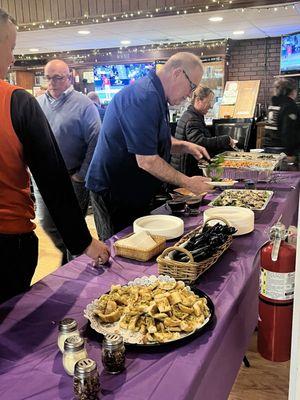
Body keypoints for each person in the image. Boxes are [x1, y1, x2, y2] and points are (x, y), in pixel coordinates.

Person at [0, 9, 109, 303]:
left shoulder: (82, 104)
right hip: (8, 242)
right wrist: (84, 241)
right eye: (10, 47)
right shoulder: (18, 101)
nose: (12, 59)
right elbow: (52, 179)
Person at [86, 52, 211, 240]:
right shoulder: (144, 96)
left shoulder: (156, 94)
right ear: (178, 74)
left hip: (133, 191)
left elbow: (157, 139)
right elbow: (147, 160)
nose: (190, 95)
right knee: (123, 249)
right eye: (192, 86)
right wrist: (189, 182)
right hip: (114, 191)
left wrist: (185, 146)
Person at [35, 59, 102, 265]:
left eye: (58, 77)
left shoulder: (83, 104)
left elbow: (96, 139)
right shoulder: (38, 103)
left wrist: (82, 175)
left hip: (73, 176)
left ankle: (74, 264)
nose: (53, 82)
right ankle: (72, 255)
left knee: (73, 224)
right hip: (44, 176)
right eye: (48, 78)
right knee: (46, 223)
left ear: (69, 76)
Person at [171, 85, 235, 176]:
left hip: (183, 169)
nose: (211, 106)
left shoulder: (192, 115)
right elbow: (200, 143)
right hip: (186, 172)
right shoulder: (192, 119)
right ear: (198, 100)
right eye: (209, 102)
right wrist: (225, 139)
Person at [263, 77, 300, 157]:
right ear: (292, 91)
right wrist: (292, 154)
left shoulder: (273, 104)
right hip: (282, 150)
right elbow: (288, 132)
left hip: (268, 146)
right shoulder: (289, 106)